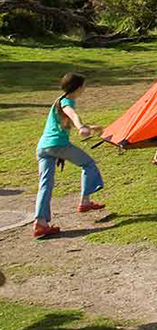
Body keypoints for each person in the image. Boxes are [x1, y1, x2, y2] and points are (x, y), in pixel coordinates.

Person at [32, 72, 106, 239]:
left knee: (45, 185)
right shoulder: (67, 102)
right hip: (57, 146)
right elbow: (72, 114)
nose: (84, 88)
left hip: (43, 148)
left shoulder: (59, 100)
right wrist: (81, 127)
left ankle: (40, 223)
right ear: (78, 87)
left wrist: (89, 127)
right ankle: (85, 201)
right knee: (88, 164)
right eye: (84, 85)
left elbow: (67, 121)